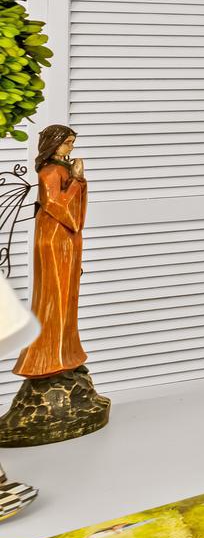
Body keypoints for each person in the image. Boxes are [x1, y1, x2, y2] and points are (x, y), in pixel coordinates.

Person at [0, 124, 108, 444]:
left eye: (72, 143)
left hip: (66, 240)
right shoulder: (50, 171)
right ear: (53, 144)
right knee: (55, 299)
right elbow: (57, 207)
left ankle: (65, 357)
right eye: (66, 143)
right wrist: (76, 180)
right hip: (54, 240)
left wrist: (77, 179)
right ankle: (47, 358)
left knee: (66, 299)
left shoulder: (61, 169)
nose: (69, 148)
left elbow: (74, 215)